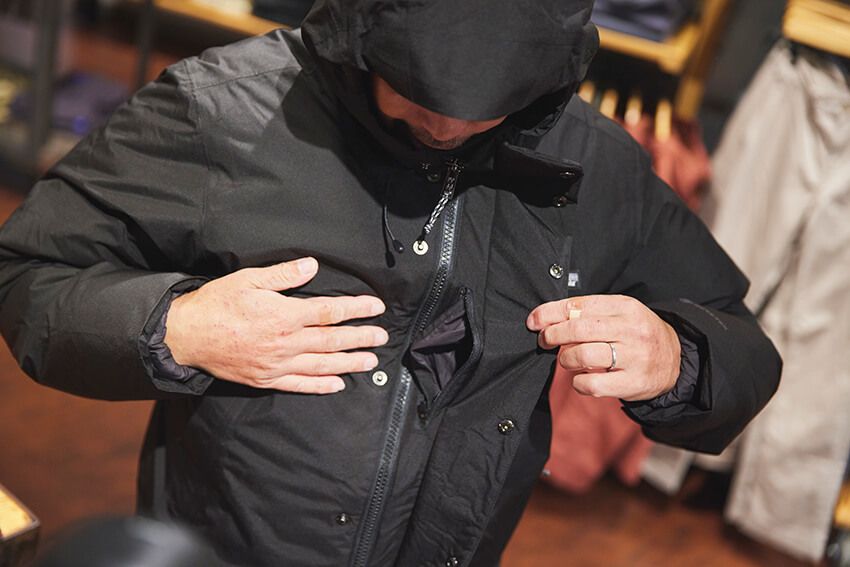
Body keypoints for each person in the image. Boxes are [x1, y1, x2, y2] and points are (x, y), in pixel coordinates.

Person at [0, 1, 781, 565]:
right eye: (417, 92)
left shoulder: (596, 167)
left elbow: (744, 344)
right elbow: (28, 270)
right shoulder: (227, 112)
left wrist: (679, 357)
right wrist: (174, 327)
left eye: (483, 107)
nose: (444, 128)